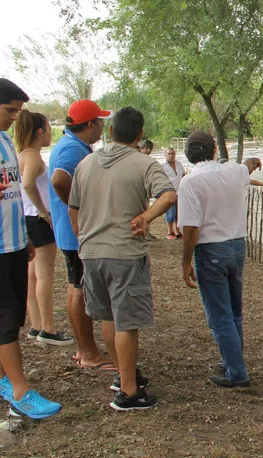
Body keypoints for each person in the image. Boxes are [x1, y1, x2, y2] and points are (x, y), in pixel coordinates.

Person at [69, 107, 176, 411]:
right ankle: (129, 392)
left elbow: (73, 209)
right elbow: (168, 195)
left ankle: (122, 374)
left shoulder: (86, 163)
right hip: (124, 254)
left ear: (111, 132)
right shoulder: (144, 163)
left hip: (91, 253)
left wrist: (84, 238)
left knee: (108, 317)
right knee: (126, 322)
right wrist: (146, 216)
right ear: (140, 135)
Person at [178, 131, 263, 388]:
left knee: (219, 315)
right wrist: (254, 159)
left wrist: (186, 261)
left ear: (189, 154)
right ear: (214, 150)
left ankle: (236, 372)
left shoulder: (190, 183)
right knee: (233, 310)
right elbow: (248, 166)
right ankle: (233, 360)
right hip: (237, 247)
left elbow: (191, 229)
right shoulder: (234, 172)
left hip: (211, 250)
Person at [0, 78, 62, 419]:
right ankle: (20, 391)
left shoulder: (7, 145)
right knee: (6, 319)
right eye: (9, 110)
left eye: (17, 111)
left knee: (14, 317)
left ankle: (2, 379)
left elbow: (11, 196)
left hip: (13, 243)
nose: (14, 117)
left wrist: (21, 236)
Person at [49, 99, 114, 369]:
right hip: (76, 233)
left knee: (77, 287)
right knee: (80, 290)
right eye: (100, 121)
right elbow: (59, 180)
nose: (102, 126)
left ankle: (84, 348)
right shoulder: (72, 150)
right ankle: (88, 353)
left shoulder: (73, 146)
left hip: (71, 231)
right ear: (90, 125)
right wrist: (79, 209)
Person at [15, 109, 72, 345]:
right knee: (44, 275)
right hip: (37, 220)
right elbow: (28, 184)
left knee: (33, 274)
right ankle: (47, 328)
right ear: (40, 132)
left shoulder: (25, 154)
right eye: (49, 129)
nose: (51, 133)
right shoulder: (32, 157)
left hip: (28, 219)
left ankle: (36, 324)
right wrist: (42, 209)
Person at [161, 147, 185, 239]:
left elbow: (183, 175)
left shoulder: (179, 164)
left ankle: (177, 231)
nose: (171, 155)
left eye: (173, 153)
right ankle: (169, 232)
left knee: (179, 213)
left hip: (179, 192)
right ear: (165, 155)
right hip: (169, 192)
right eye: (169, 154)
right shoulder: (162, 166)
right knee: (171, 213)